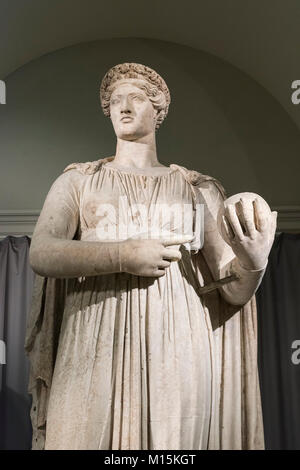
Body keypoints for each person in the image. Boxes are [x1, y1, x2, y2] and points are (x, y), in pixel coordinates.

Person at [26, 62, 277, 450]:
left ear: (157, 111)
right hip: (94, 340)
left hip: (177, 347)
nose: (123, 107)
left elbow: (234, 291)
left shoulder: (197, 189)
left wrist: (253, 260)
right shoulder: (77, 181)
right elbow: (42, 252)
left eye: (136, 98)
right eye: (115, 101)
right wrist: (124, 255)